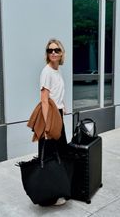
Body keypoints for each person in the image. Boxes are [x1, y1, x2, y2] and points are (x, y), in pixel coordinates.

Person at [38, 38, 68, 206]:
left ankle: (59, 189)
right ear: (47, 54)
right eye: (50, 50)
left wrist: (63, 106)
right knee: (50, 156)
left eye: (56, 50)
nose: (54, 53)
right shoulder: (47, 71)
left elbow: (57, 92)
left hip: (58, 114)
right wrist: (48, 126)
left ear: (61, 52)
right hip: (50, 117)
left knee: (60, 152)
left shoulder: (57, 70)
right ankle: (50, 196)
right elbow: (44, 100)